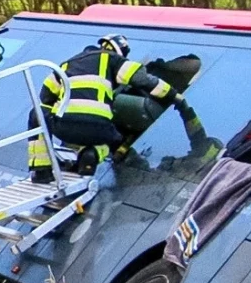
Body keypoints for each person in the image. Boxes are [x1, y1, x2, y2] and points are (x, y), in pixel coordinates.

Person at [28, 33, 184, 181]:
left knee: (37, 114)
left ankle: (41, 170)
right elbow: (144, 80)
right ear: (120, 50)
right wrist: (173, 95)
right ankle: (93, 154)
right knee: (113, 141)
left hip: (65, 128)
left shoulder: (67, 64)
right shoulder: (114, 60)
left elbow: (45, 97)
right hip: (98, 128)